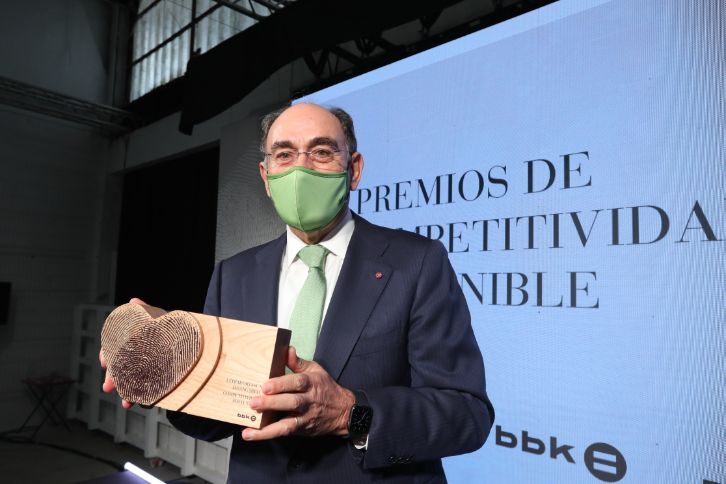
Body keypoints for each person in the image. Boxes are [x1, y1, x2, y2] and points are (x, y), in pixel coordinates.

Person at [102, 102, 494, 483]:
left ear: (353, 170)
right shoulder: (233, 274)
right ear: (266, 176)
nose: (301, 169)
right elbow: (214, 417)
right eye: (284, 155)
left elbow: (467, 415)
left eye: (321, 152)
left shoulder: (417, 262)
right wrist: (163, 373)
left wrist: (348, 414)